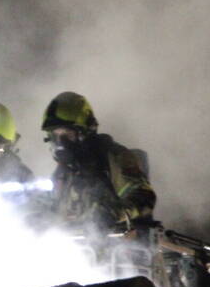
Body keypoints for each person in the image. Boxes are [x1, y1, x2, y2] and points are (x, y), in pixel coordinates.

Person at [40, 91, 155, 235]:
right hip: (76, 249)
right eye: (55, 137)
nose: (61, 144)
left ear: (85, 131)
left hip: (120, 247)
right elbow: (54, 210)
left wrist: (113, 212)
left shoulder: (112, 157)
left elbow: (144, 196)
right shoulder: (63, 172)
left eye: (67, 135)